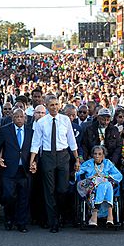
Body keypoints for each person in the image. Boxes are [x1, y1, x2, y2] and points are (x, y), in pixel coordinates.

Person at [29, 95, 80, 233]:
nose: (55, 107)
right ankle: (53, 221)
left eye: (57, 104)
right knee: (49, 191)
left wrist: (76, 159)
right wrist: (32, 160)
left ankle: (61, 214)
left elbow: (71, 141)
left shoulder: (65, 120)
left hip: (63, 156)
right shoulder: (41, 122)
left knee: (62, 189)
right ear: (46, 106)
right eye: (51, 105)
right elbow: (36, 142)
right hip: (47, 156)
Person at [0, 109, 33, 233]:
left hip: (25, 169)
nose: (19, 119)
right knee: (8, 196)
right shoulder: (5, 130)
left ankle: (22, 223)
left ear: (25, 118)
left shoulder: (31, 132)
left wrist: (35, 162)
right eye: (16, 117)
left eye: (21, 116)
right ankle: (9, 218)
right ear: (12, 118)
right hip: (8, 169)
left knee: (23, 197)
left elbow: (34, 149)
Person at [76, 145, 122, 226]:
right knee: (105, 185)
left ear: (103, 155)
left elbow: (118, 175)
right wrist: (91, 177)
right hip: (93, 187)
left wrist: (107, 176)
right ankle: (110, 215)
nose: (97, 156)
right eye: (95, 154)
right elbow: (78, 173)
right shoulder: (88, 163)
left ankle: (94, 214)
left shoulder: (108, 163)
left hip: (106, 184)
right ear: (92, 155)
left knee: (106, 184)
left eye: (100, 154)